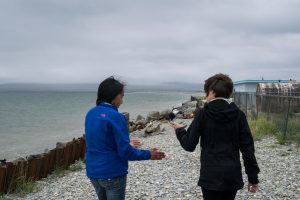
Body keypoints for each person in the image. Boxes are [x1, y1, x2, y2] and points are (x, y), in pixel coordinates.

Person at [170, 73, 260, 200]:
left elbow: (189, 145)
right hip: (232, 174)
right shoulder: (239, 115)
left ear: (212, 91)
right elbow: (248, 149)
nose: (206, 95)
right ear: (228, 92)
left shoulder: (203, 114)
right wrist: (253, 178)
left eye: (206, 91)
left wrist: (179, 131)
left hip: (210, 175)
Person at [85, 76, 166, 200]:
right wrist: (148, 154)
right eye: (121, 96)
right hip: (112, 172)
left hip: (93, 172)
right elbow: (125, 152)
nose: (122, 100)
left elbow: (99, 142)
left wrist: (127, 144)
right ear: (114, 95)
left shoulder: (91, 113)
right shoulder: (116, 116)